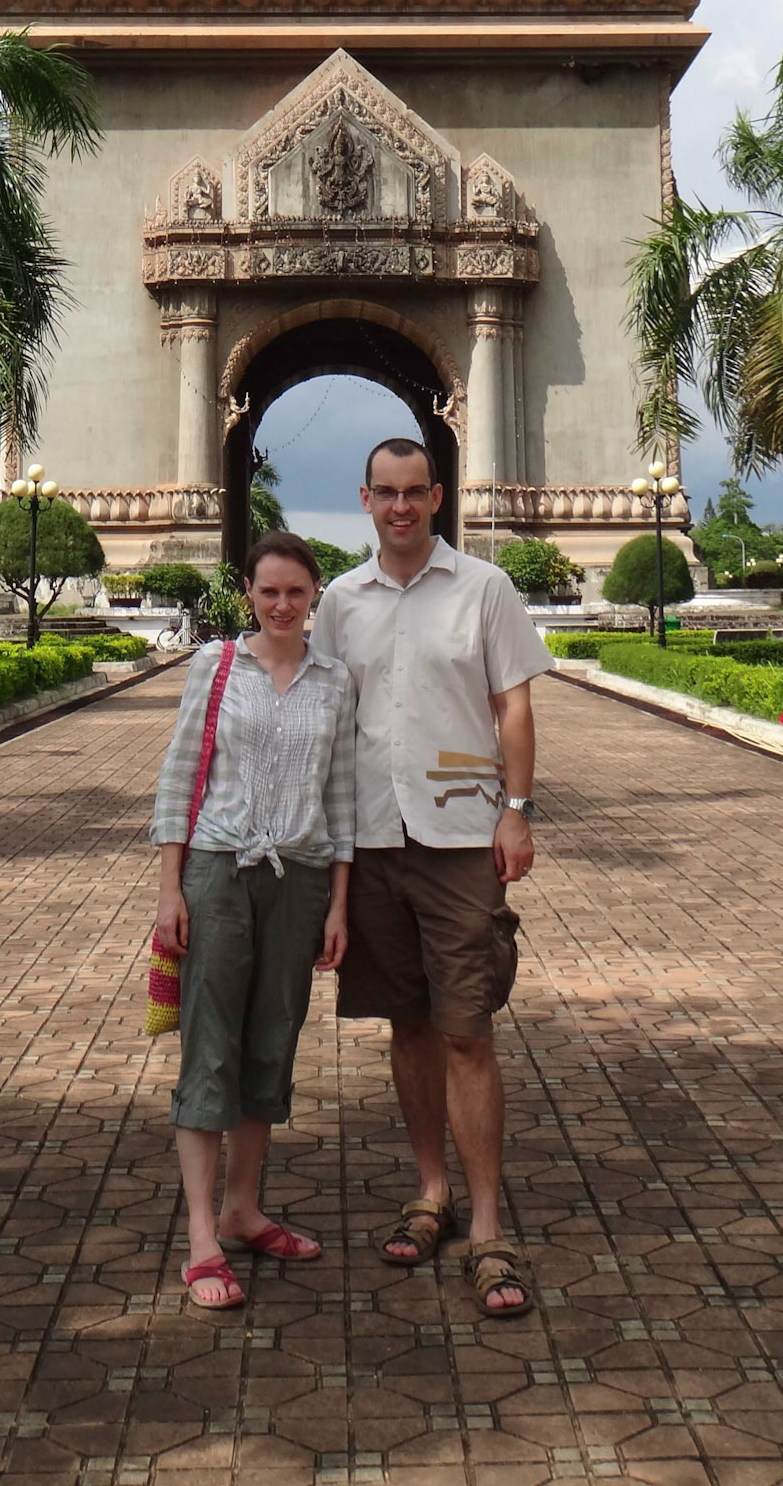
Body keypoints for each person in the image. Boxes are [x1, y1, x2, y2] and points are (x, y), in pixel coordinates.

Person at [309, 437, 550, 1318]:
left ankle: (488, 1226)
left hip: (458, 836)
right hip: (373, 836)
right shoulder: (339, 602)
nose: (401, 507)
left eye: (416, 493)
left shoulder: (484, 589)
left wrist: (516, 807)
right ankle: (431, 1191)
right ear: (365, 499)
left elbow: (512, 704)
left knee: (466, 1030)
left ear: (437, 497)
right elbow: (326, 714)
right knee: (407, 1024)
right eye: (387, 493)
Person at [151, 531, 356, 1309]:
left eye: (295, 593)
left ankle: (243, 1208)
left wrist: (340, 902)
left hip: (299, 880)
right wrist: (171, 890)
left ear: (315, 596)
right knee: (210, 1046)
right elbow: (178, 780)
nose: (281, 605)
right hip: (218, 870)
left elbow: (342, 798)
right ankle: (203, 1238)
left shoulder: (335, 682)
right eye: (268, 591)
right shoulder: (215, 667)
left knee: (272, 1042)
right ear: (249, 593)